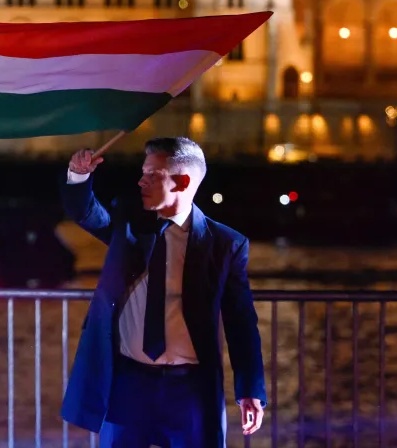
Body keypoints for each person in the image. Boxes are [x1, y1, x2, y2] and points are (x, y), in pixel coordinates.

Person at [60, 136, 266, 448]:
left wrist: (250, 389)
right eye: (143, 172)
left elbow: (241, 320)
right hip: (129, 383)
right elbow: (87, 214)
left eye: (153, 174)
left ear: (182, 181)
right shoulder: (128, 222)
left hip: (191, 390)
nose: (141, 181)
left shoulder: (225, 244)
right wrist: (79, 176)